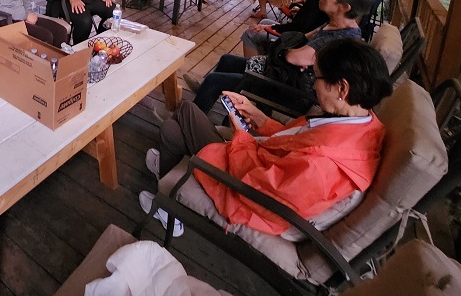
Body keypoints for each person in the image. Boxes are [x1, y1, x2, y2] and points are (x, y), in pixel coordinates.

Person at [140, 38, 392, 237]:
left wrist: (241, 135)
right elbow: (296, 142)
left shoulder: (321, 165)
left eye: (315, 76)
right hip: (259, 160)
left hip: (244, 192)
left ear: (342, 88)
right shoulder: (361, 124)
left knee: (180, 117)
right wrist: (260, 118)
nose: (312, 83)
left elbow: (257, 188)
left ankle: (168, 203)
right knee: (173, 129)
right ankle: (167, 180)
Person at [187, 0, 376, 112]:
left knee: (215, 79)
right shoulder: (335, 25)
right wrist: (292, 48)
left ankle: (190, 123)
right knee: (227, 60)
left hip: (291, 90)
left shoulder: (341, 40)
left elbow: (294, 57)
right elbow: (300, 37)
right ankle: (206, 93)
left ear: (343, 7)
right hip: (283, 73)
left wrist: (286, 50)